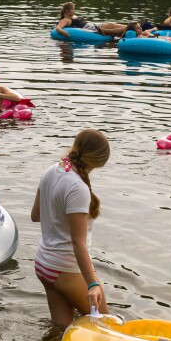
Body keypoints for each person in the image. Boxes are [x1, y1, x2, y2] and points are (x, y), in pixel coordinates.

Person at [31, 129, 110, 327]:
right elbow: (78, 242)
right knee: (108, 325)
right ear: (99, 162)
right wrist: (92, 284)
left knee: (61, 330)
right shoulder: (77, 187)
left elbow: (35, 216)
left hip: (44, 264)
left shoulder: (51, 170)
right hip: (65, 268)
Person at [55, 2, 127, 37]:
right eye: (72, 9)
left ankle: (131, 27)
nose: (74, 11)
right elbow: (58, 27)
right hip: (92, 28)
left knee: (111, 25)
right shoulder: (65, 20)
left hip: (92, 25)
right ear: (67, 11)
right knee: (111, 25)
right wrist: (63, 32)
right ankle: (131, 27)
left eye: (74, 9)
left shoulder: (72, 16)